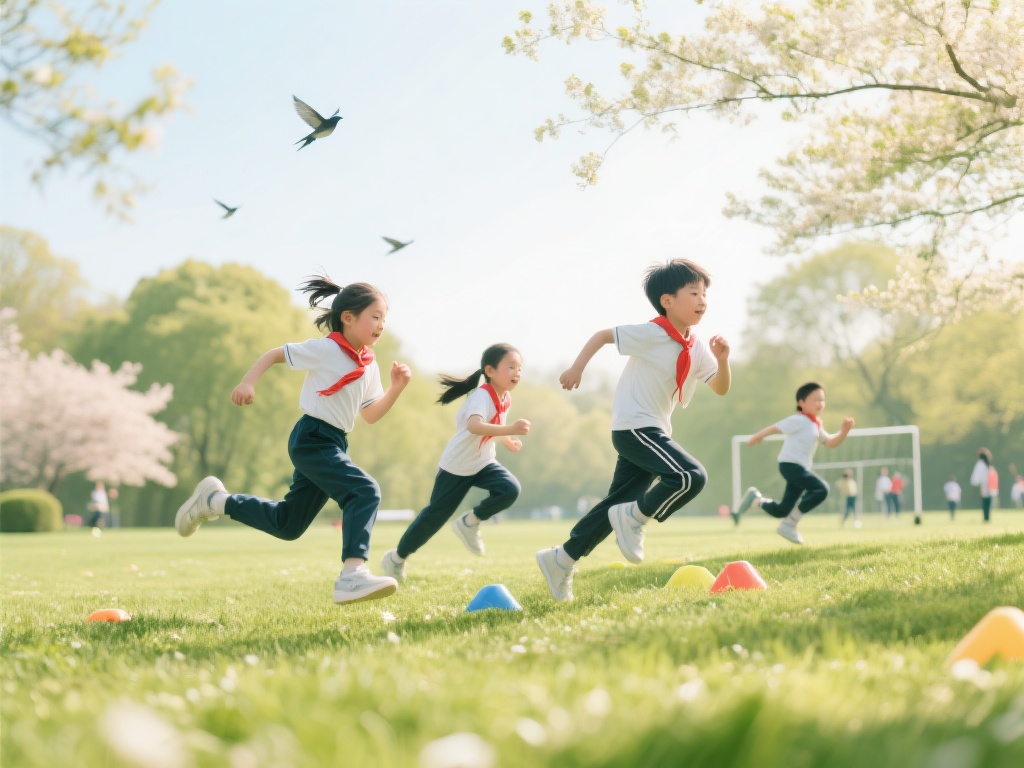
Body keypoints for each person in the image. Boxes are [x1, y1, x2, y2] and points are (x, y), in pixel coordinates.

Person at [174, 275, 411, 605]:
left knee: (288, 524)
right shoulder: (326, 349)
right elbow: (275, 354)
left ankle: (215, 501)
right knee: (364, 490)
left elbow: (370, 414)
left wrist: (396, 389)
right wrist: (248, 383)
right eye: (375, 316)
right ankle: (352, 575)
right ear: (348, 317)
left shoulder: (368, 365)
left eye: (384, 319)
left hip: (335, 442)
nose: (381, 325)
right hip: (313, 438)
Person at [535, 259, 732, 602]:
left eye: (704, 293)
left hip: (653, 430)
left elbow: (719, 387)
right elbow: (602, 336)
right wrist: (577, 367)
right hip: (634, 427)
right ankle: (635, 517)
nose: (702, 300)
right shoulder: (653, 333)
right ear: (667, 300)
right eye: (693, 292)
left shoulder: (695, 345)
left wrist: (724, 359)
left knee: (615, 505)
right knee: (690, 476)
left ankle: (560, 560)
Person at [380, 344, 529, 582]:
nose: (517, 373)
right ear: (489, 371)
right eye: (511, 367)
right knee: (434, 518)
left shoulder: (505, 398)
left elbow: (493, 424)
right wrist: (510, 429)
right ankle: (396, 559)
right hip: (457, 467)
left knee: (510, 489)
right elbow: (475, 426)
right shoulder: (481, 395)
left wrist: (507, 439)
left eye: (520, 368)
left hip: (483, 462)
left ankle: (469, 522)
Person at [734, 383, 854, 544]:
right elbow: (776, 428)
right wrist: (758, 436)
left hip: (800, 468)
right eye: (815, 400)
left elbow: (830, 442)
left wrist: (844, 431)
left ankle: (757, 500)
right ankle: (790, 523)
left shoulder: (816, 423)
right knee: (821, 489)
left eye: (822, 400)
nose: (820, 403)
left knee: (782, 509)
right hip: (790, 465)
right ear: (801, 403)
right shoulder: (799, 420)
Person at [970, 448, 993, 523]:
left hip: (984, 485)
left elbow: (976, 476)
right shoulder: (987, 464)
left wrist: (974, 483)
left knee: (985, 501)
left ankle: (986, 518)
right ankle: (987, 517)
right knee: (988, 502)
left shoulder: (980, 464)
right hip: (990, 485)